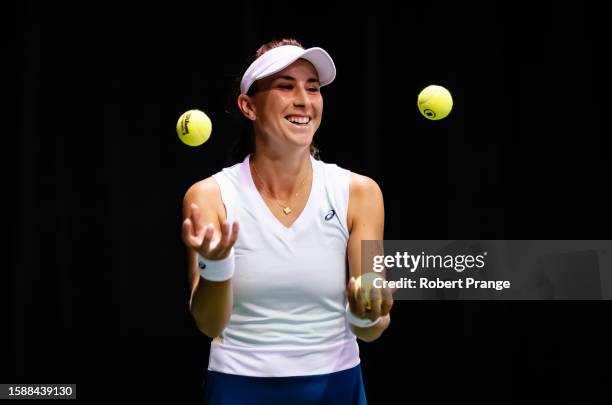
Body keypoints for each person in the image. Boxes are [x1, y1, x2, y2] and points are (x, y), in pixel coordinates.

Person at [181, 38, 393, 404]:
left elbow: (371, 328)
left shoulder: (362, 193)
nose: (304, 100)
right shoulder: (208, 197)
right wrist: (216, 266)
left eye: (313, 88)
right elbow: (209, 325)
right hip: (239, 386)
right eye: (285, 86)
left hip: (336, 386)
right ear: (248, 106)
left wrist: (367, 314)